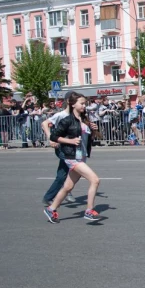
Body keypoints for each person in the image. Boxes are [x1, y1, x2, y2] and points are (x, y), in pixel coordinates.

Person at [43, 92, 102, 223]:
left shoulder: (84, 119)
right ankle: (89, 211)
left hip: (82, 156)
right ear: (73, 104)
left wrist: (93, 130)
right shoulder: (67, 120)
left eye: (85, 104)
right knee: (95, 180)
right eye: (81, 103)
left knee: (68, 187)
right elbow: (54, 137)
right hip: (72, 156)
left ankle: (51, 209)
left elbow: (87, 138)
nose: (84, 106)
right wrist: (69, 141)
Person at [41, 92, 78, 205]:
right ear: (69, 102)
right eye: (76, 101)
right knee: (72, 169)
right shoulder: (61, 115)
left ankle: (51, 196)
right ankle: (65, 191)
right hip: (62, 147)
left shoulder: (76, 115)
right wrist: (51, 138)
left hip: (71, 147)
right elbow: (44, 123)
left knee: (63, 174)